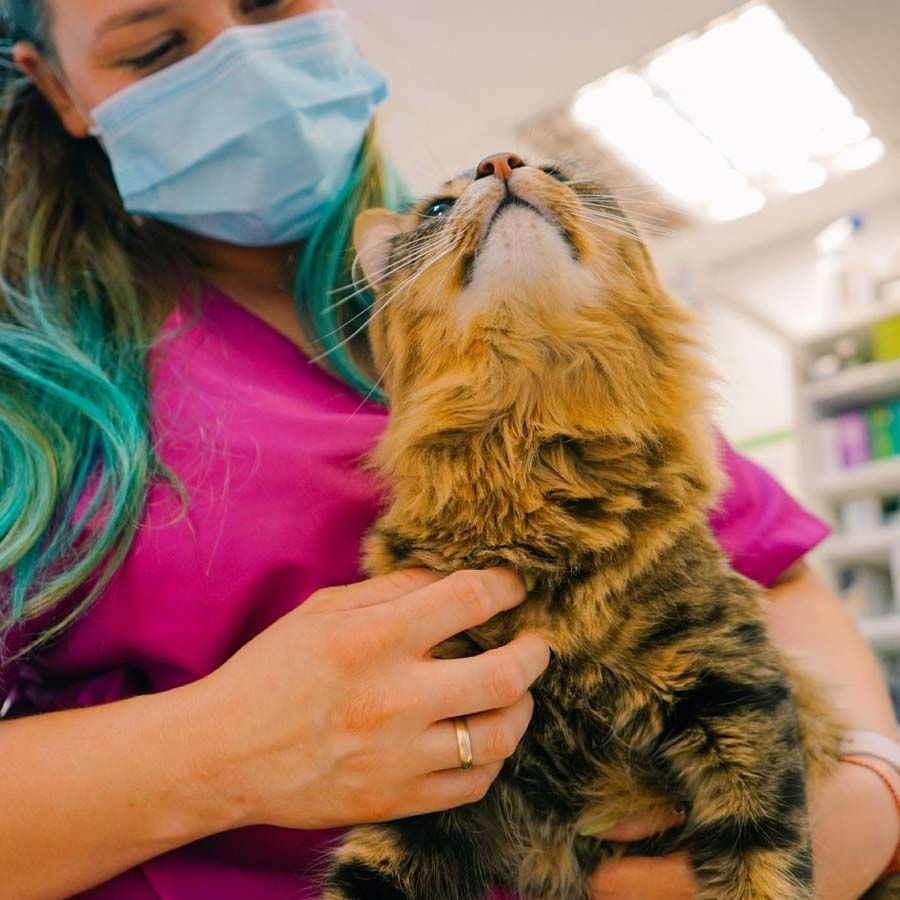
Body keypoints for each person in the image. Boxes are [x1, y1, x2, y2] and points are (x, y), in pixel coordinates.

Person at [0, 2, 897, 898]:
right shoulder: (26, 386)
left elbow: (768, 563)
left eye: (272, 4)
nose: (247, 59)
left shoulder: (551, 294)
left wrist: (866, 792)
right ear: (52, 84)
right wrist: (217, 751)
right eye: (156, 48)